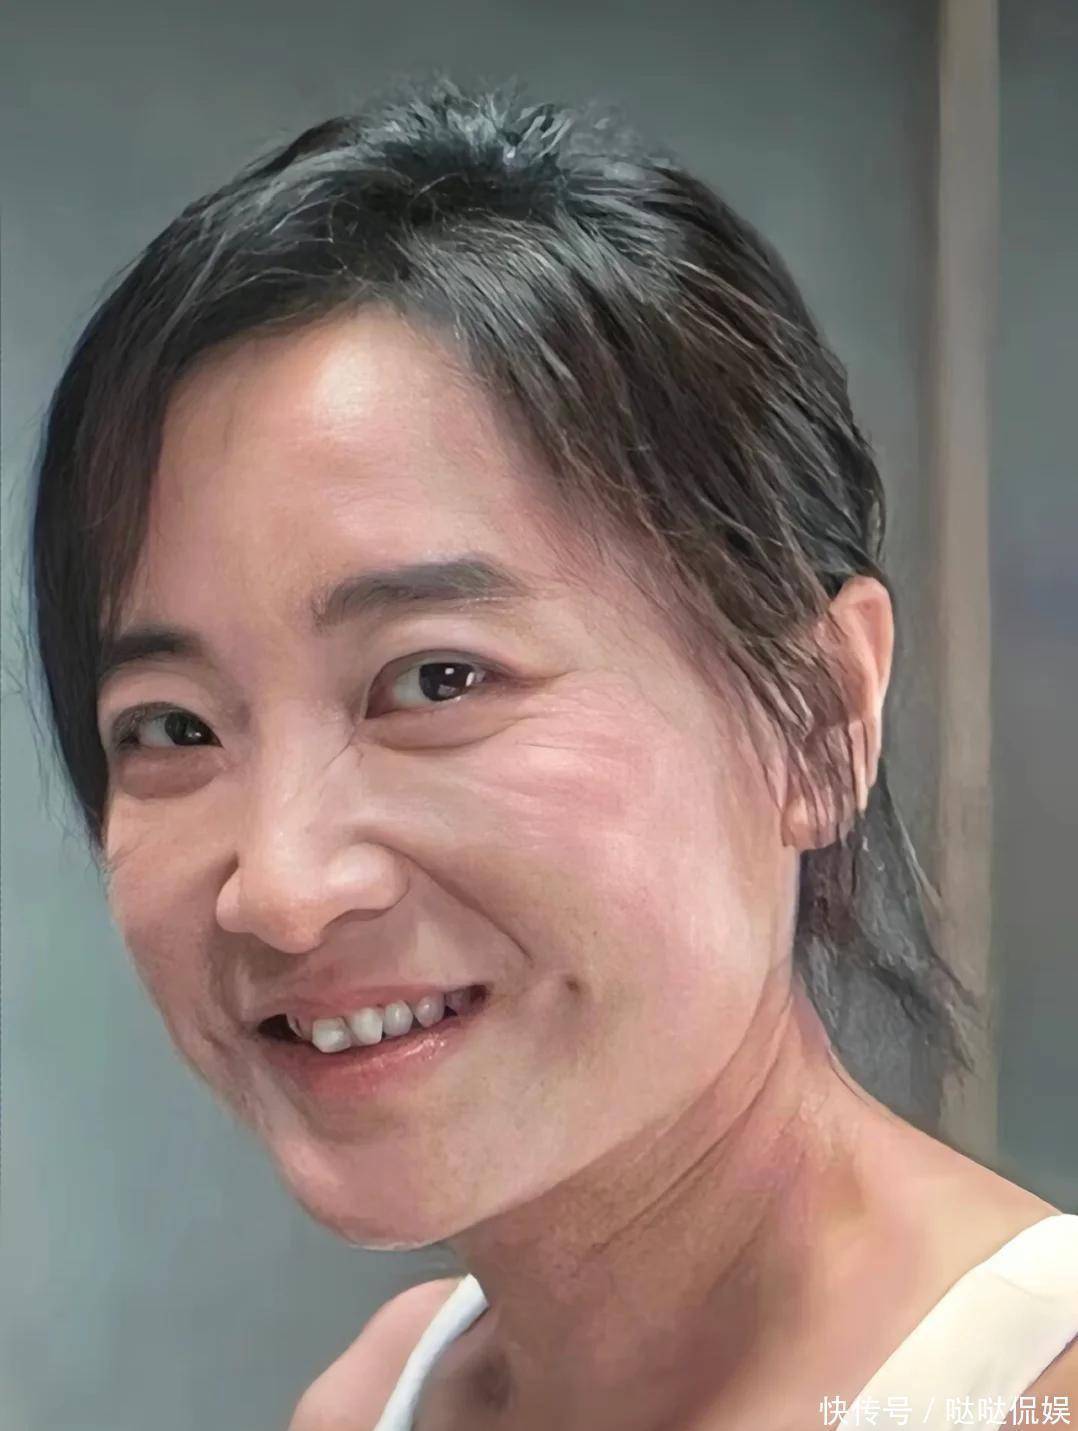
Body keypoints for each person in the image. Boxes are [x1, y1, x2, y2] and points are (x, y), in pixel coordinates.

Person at [26, 77, 1076, 1431]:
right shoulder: (383, 1398)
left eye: (437, 679)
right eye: (173, 727)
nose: (281, 889)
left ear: (817, 716)